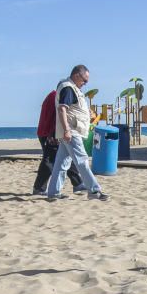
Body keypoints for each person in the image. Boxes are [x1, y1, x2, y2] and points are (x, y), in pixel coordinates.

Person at [45, 65, 109, 201]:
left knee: (61, 163)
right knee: (82, 160)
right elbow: (62, 109)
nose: (85, 83)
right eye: (84, 80)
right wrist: (67, 130)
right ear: (76, 76)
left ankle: (53, 193)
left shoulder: (71, 88)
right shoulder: (68, 88)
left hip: (71, 131)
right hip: (71, 131)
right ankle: (94, 191)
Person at [33, 89, 83, 195]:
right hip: (50, 133)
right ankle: (39, 188)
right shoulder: (59, 97)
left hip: (49, 132)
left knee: (66, 157)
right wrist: (52, 134)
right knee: (50, 160)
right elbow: (57, 116)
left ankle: (78, 183)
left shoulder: (55, 95)